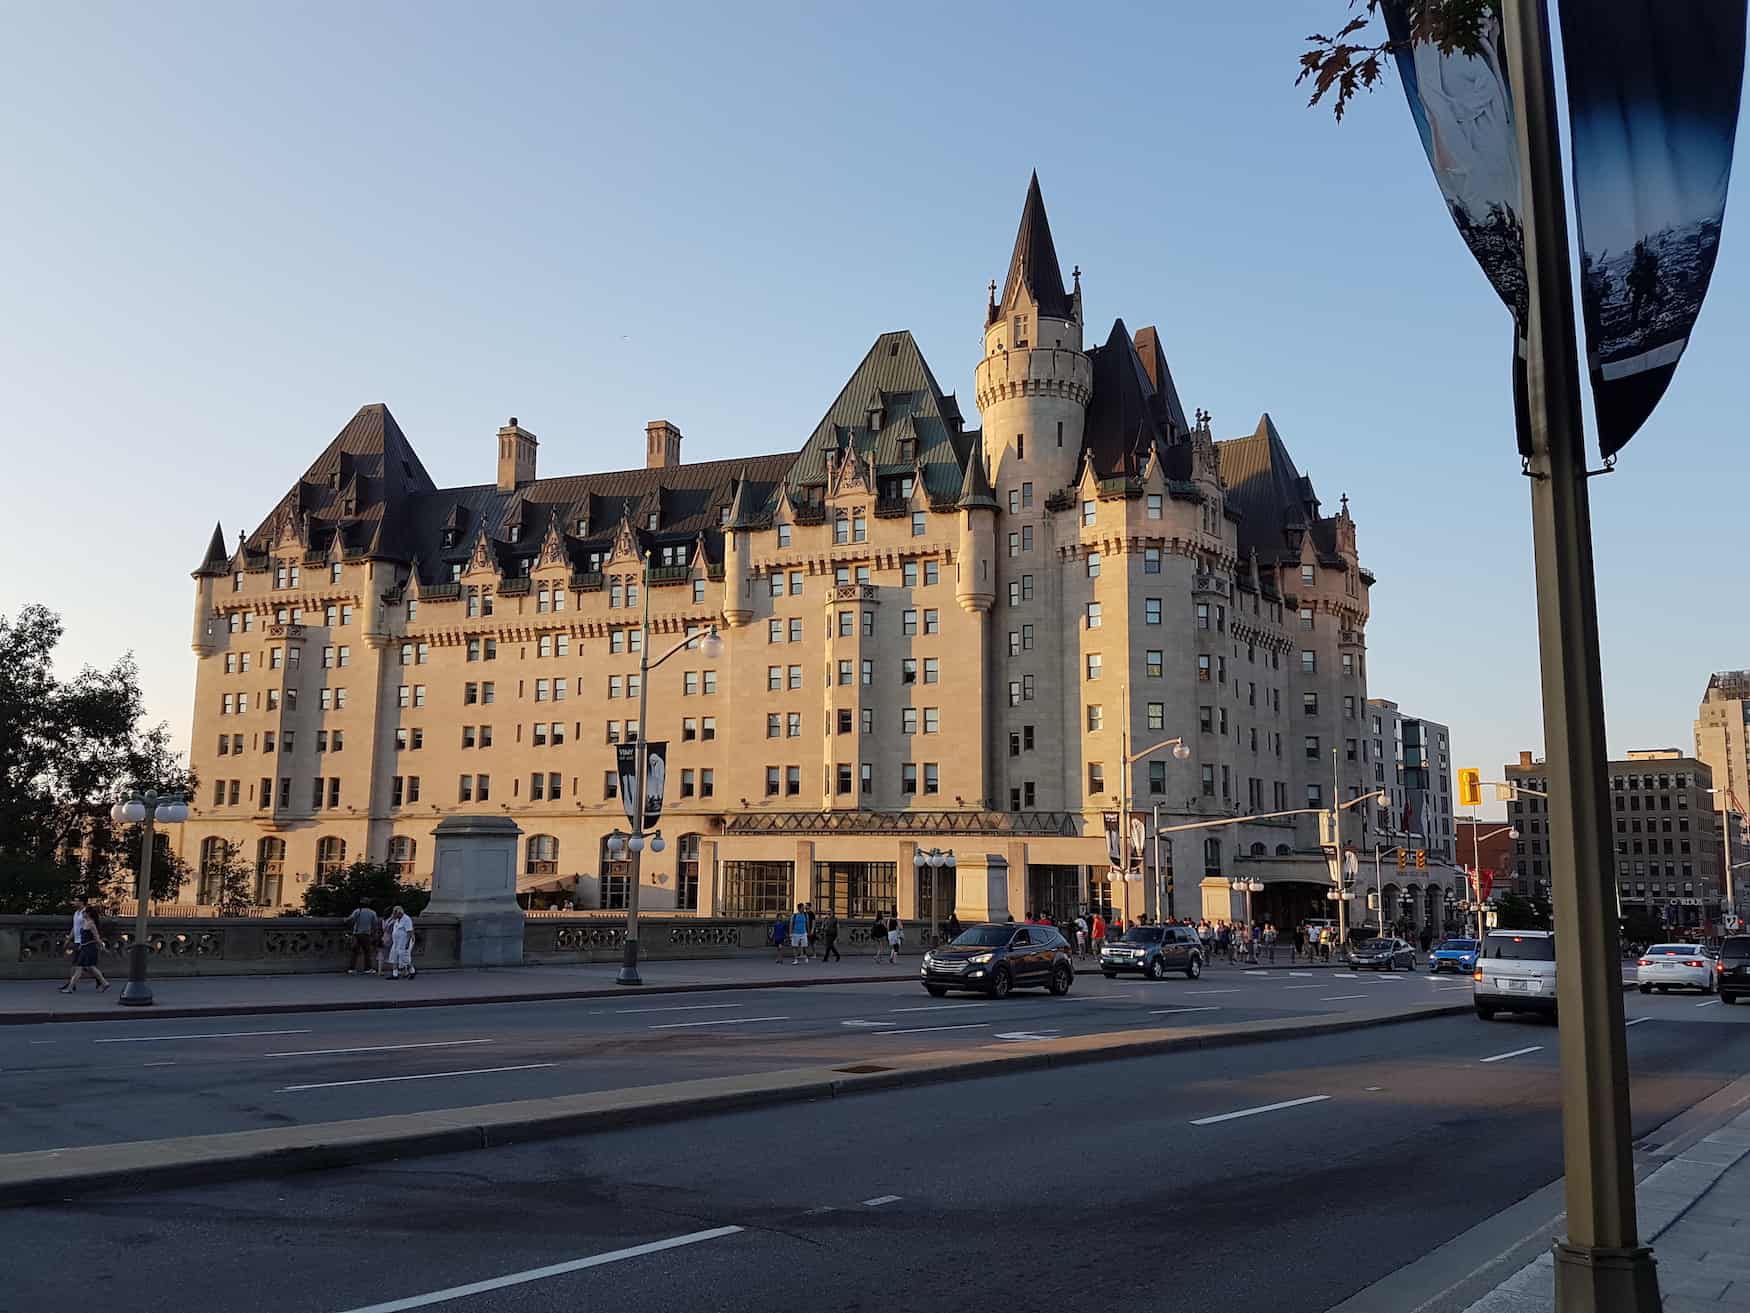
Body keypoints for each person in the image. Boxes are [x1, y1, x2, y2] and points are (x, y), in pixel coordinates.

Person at [60, 903, 110, 993]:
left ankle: (70, 987)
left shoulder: (91, 924)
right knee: (90, 967)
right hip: (84, 947)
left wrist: (103, 947)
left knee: (81, 968)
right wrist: (80, 945)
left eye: (85, 913)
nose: (83, 914)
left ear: (88, 914)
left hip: (89, 948)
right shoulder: (85, 922)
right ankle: (104, 982)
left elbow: (97, 937)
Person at [346, 899, 381, 975]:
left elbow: (349, 919)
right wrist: (375, 934)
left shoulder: (357, 911)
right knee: (367, 952)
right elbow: (375, 924)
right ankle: (367, 968)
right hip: (366, 934)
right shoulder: (372, 913)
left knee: (354, 952)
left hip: (356, 934)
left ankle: (351, 969)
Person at [385, 905, 417, 979]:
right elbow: (387, 926)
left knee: (405, 959)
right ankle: (395, 974)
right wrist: (390, 919)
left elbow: (409, 932)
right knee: (394, 957)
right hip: (396, 942)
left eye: (395, 914)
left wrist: (407, 944)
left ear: (399, 913)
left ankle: (412, 971)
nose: (394, 915)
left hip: (404, 942)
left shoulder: (406, 919)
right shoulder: (397, 920)